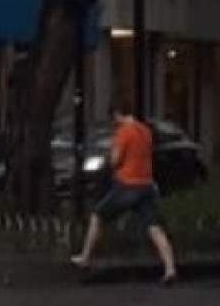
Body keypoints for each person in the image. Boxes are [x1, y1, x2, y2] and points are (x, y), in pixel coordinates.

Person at [71, 102, 180, 284]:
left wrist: (108, 162)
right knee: (154, 227)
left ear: (117, 115)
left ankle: (85, 257)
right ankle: (170, 268)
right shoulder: (145, 131)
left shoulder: (123, 132)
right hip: (147, 184)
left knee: (98, 215)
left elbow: (115, 160)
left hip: (127, 184)